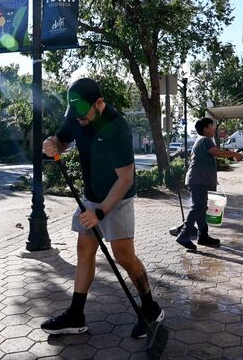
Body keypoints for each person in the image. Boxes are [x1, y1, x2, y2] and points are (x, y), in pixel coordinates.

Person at [41, 77, 164, 339]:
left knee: (123, 255)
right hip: (91, 197)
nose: (79, 120)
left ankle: (151, 308)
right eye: (75, 115)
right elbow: (63, 140)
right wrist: (52, 144)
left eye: (84, 115)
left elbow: (126, 178)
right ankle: (76, 315)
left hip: (117, 199)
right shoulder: (76, 116)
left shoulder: (116, 128)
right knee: (84, 250)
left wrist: (100, 212)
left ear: (99, 104)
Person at [170, 117, 243, 250]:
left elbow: (206, 160)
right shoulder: (205, 140)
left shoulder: (203, 141)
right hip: (198, 180)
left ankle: (203, 236)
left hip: (199, 180)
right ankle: (184, 234)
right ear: (205, 128)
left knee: (202, 208)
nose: (214, 128)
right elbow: (217, 153)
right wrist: (234, 154)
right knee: (198, 207)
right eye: (212, 126)